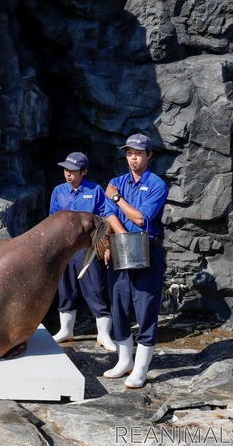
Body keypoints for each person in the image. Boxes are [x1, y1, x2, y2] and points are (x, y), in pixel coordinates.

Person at [102, 133, 169, 388]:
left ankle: (141, 368)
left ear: (149, 155)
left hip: (149, 251)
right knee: (118, 304)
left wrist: (118, 198)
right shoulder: (117, 180)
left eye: (138, 153)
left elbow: (142, 218)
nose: (133, 158)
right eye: (129, 153)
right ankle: (124, 360)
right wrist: (123, 238)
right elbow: (108, 213)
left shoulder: (157, 185)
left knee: (145, 307)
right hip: (121, 248)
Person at [49, 152, 116, 352]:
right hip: (65, 248)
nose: (68, 174)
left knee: (95, 289)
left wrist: (105, 247)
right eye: (66, 170)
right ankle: (66, 330)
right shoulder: (58, 191)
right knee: (65, 288)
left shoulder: (95, 190)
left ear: (84, 172)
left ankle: (103, 334)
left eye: (73, 171)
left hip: (88, 249)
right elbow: (53, 219)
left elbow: (105, 220)